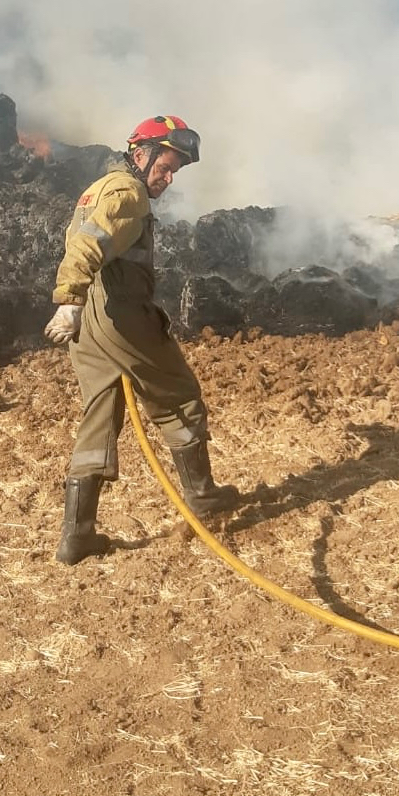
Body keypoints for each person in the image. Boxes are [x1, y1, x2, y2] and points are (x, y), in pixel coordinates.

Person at [44, 115, 238, 564]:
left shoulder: (99, 188)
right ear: (140, 154)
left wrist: (75, 306)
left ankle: (78, 536)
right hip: (120, 315)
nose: (167, 179)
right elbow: (88, 246)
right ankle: (202, 497)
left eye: (174, 172)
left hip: (89, 326)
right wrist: (67, 298)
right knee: (180, 396)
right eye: (164, 167)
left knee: (100, 413)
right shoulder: (128, 193)